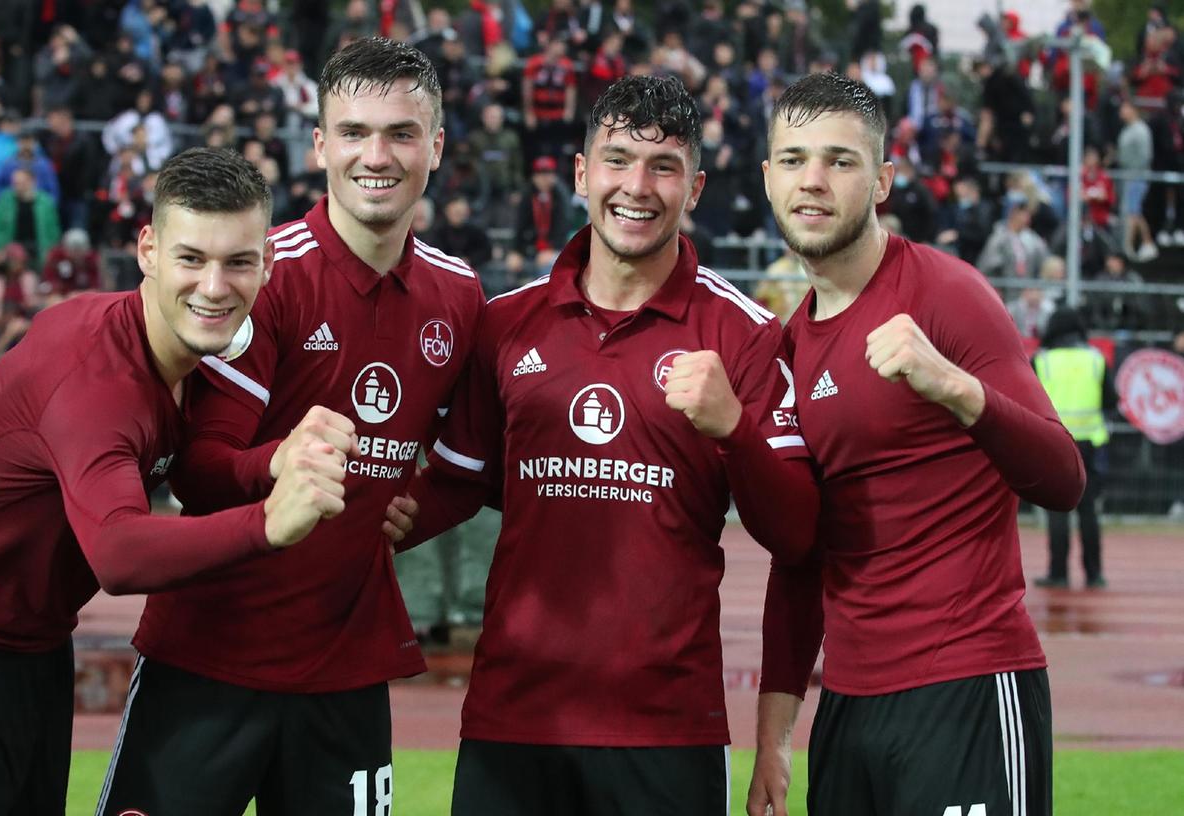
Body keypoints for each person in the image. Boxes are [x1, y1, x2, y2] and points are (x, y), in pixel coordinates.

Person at [0, 148, 353, 815]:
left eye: (237, 262)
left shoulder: (194, 351)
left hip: (37, 654)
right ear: (147, 249)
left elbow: (196, 465)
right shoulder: (95, 379)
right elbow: (115, 553)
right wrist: (267, 521)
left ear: (265, 262)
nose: (213, 286)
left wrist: (269, 461)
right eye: (190, 259)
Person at [386, 74, 817, 815]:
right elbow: (459, 481)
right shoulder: (505, 323)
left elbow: (798, 533)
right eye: (617, 160)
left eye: (664, 167)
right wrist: (361, 529)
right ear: (582, 173)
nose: (637, 187)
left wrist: (732, 430)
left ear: (696, 187)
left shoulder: (743, 336)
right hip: (513, 718)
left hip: (666, 729)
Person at [96, 38, 486, 816]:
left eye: (401, 134)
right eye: (353, 133)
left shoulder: (459, 293)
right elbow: (198, 468)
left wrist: (416, 509)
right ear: (319, 146)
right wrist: (285, 464)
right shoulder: (263, 272)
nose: (376, 156)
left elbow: (469, 461)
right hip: (209, 656)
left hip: (344, 668)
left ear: (435, 147)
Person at [747, 73, 1085, 816]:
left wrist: (956, 388)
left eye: (840, 161)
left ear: (881, 182)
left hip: (966, 684)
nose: (813, 181)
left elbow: (1062, 478)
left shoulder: (946, 293)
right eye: (794, 159)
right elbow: (800, 556)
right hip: (849, 708)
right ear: (767, 178)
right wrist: (774, 734)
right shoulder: (785, 347)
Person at [1032, 306, 1111, 589]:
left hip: (1054, 443)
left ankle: (1058, 573)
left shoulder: (1043, 361)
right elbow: (1110, 402)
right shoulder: (1096, 360)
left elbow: (1026, 399)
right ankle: (1094, 574)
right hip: (1090, 443)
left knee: (1058, 510)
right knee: (1088, 509)